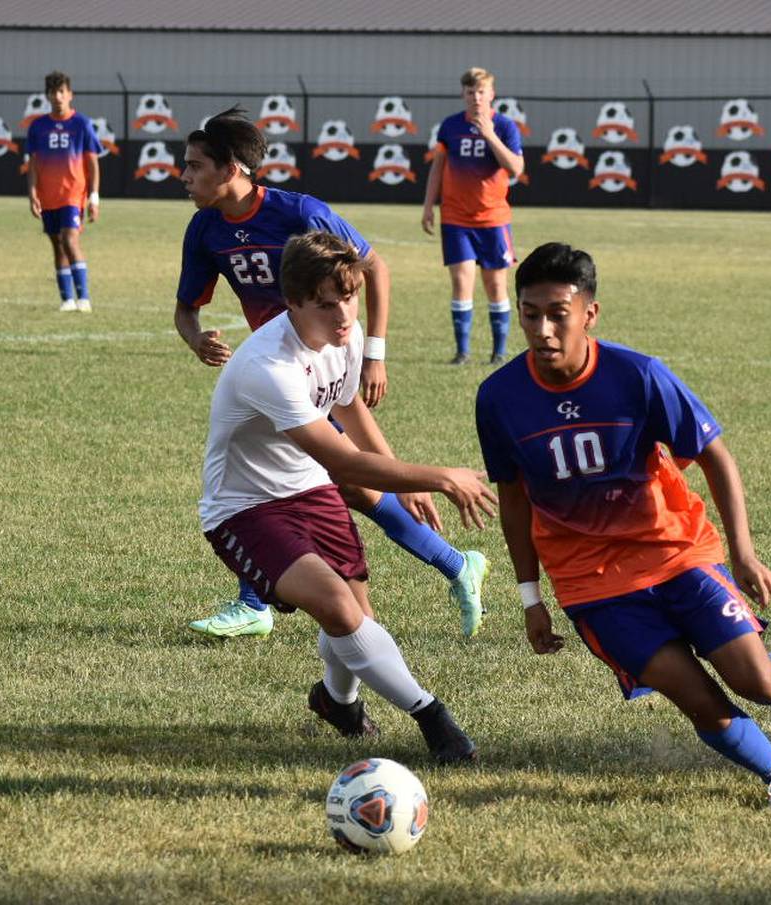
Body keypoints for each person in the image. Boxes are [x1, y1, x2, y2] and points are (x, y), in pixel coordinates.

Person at [475, 242, 771, 810]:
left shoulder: (637, 375)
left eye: (557, 313)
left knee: (753, 679)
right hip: (593, 584)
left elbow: (715, 456)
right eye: (530, 313)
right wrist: (530, 597)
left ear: (589, 313)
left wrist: (743, 552)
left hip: (677, 551)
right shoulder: (498, 398)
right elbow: (513, 498)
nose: (542, 328)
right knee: (696, 696)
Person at [177, 108, 489, 639]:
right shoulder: (206, 228)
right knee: (323, 483)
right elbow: (185, 310)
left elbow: (373, 267)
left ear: (231, 168)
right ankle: (456, 566)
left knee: (334, 482)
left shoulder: (299, 211)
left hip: (321, 362)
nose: (183, 176)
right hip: (277, 372)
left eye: (193, 165)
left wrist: (376, 353)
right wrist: (195, 338)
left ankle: (453, 565)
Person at [200, 229, 492, 762]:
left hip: (310, 491)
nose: (342, 316)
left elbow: (349, 406)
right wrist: (437, 477)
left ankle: (337, 703)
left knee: (357, 615)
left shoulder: (345, 338)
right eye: (325, 305)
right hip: (245, 509)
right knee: (338, 607)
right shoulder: (269, 366)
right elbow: (341, 460)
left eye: (350, 299)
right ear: (290, 303)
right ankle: (434, 719)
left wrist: (395, 477)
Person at [420, 67, 524, 365]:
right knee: (461, 282)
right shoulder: (450, 126)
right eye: (470, 92)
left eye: (481, 92)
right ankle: (462, 352)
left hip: (493, 219)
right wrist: (429, 204)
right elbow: (438, 167)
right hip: (456, 218)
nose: (476, 97)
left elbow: (516, 169)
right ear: (463, 94)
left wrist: (489, 134)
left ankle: (498, 352)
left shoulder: (504, 126)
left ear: (492, 94)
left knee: (495, 285)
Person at [26, 70, 103, 312]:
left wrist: (94, 196)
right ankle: (67, 300)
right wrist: (32, 194)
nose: (57, 96)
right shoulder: (38, 126)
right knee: (56, 244)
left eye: (62, 91)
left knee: (70, 240)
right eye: (53, 92)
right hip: (48, 196)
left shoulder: (81, 124)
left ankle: (84, 298)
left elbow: (92, 163)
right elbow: (33, 164)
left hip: (73, 194)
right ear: (47, 96)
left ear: (70, 95)